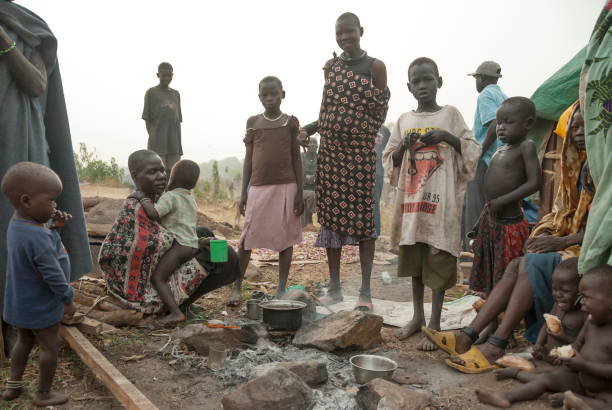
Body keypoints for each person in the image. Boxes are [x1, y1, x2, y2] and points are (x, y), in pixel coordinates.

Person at [422, 103, 595, 373]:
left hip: (594, 251)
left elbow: (602, 227)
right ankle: (467, 335)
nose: (577, 132)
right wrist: (549, 232)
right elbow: (566, 213)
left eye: (585, 125)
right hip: (575, 243)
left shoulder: (600, 168)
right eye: (573, 127)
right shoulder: (578, 165)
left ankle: (496, 343)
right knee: (517, 265)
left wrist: (562, 242)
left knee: (526, 264)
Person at [0, 1, 91, 327]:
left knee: (21, 226)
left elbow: (37, 84)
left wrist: (4, 41)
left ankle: (19, 320)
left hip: (20, 145)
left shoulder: (28, 27)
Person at [382, 57, 480, 350]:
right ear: (409, 86)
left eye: (428, 79)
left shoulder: (451, 115)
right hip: (412, 204)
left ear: (439, 81)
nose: (423, 85)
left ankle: (435, 323)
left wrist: (448, 138)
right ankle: (416, 317)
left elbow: (472, 149)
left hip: (441, 204)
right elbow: (390, 161)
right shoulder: (403, 121)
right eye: (417, 81)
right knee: (415, 263)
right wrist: (402, 147)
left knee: (437, 261)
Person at [299, 12, 390, 311]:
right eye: (339, 33)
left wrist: (354, 129)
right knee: (331, 223)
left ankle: (365, 292)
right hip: (331, 156)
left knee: (365, 222)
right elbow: (328, 113)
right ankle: (336, 289)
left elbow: (379, 112)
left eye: (349, 32)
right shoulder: (332, 67)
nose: (344, 38)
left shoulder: (375, 67)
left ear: (360, 31)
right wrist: (308, 130)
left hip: (361, 156)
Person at [99, 150, 240, 315]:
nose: (160, 176)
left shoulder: (160, 198)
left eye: (162, 170)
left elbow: (171, 231)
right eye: (152, 172)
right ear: (135, 176)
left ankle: (185, 301)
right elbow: (149, 247)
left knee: (208, 237)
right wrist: (194, 243)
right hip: (144, 288)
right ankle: (176, 308)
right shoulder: (136, 205)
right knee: (227, 255)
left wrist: (200, 241)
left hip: (165, 260)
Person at [475, 266, 612, 409]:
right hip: (580, 380)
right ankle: (505, 397)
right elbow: (577, 344)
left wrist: (585, 365)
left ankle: (576, 400)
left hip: (605, 390)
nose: (581, 302)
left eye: (587, 297)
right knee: (547, 379)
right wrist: (566, 354)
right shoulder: (591, 322)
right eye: (581, 296)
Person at [1, 162, 77, 407]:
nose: (55, 206)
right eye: (51, 200)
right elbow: (53, 274)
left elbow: (41, 252)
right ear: (27, 201)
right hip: (40, 305)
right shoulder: (37, 236)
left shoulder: (18, 225)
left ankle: (13, 386)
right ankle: (43, 394)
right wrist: (67, 299)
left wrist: (54, 230)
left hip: (19, 304)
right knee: (50, 346)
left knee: (24, 341)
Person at [229, 76, 303, 305]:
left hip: (287, 186)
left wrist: (300, 191)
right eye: (265, 95)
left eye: (274, 94)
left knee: (286, 238)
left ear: (283, 94)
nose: (270, 98)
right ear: (259, 96)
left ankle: (281, 288)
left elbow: (296, 158)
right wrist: (244, 192)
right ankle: (237, 287)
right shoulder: (253, 122)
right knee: (247, 239)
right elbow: (248, 159)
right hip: (258, 187)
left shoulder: (290, 123)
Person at [469, 97, 542, 294]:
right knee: (490, 270)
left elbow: (535, 182)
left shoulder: (526, 146)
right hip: (492, 220)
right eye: (499, 122)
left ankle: (502, 314)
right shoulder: (500, 150)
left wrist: (503, 200)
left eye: (508, 122)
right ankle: (491, 315)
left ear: (528, 123)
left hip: (509, 223)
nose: (501, 127)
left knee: (505, 272)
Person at [131, 159, 202, 325]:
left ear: (172, 180)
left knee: (158, 278)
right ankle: (184, 306)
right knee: (176, 277)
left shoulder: (171, 197)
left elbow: (155, 213)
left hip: (179, 245)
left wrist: (142, 199)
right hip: (191, 245)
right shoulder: (190, 199)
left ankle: (176, 313)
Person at [494, 257, 586, 379]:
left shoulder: (583, 315)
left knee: (552, 376)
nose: (558, 295)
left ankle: (518, 374)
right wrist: (539, 344)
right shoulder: (557, 306)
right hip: (550, 355)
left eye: (564, 291)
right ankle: (530, 370)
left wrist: (564, 337)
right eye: (554, 289)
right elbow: (545, 325)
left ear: (580, 292)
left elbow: (582, 344)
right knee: (536, 361)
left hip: (566, 361)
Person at [462, 61, 507, 249]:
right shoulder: (502, 95)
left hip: (485, 160)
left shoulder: (486, 95)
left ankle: (472, 252)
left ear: (481, 78)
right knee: (490, 209)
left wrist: (479, 152)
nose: (476, 83)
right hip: (500, 161)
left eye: (476, 78)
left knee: (475, 207)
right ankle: (488, 249)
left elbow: (493, 124)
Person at [142, 62, 183, 171]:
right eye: (163, 75)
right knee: (157, 172)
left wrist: (177, 144)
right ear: (158, 75)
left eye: (169, 75)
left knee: (173, 174)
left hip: (174, 145)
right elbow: (147, 119)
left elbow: (178, 120)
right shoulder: (151, 93)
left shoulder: (176, 94)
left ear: (172, 76)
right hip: (157, 144)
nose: (166, 78)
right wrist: (153, 137)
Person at [374, 125, 390, 236]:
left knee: (374, 202)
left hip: (378, 172)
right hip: (361, 171)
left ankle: (375, 232)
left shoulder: (385, 130)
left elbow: (390, 150)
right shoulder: (363, 125)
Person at [301, 137, 318, 227]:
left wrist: (313, 178)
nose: (313, 145)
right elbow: (299, 172)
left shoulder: (320, 158)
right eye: (311, 143)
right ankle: (306, 223)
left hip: (316, 188)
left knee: (312, 195)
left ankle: (309, 222)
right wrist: (307, 178)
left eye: (315, 143)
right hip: (301, 187)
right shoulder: (301, 156)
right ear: (307, 145)